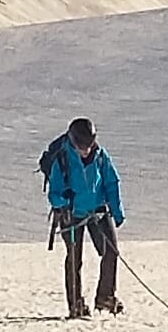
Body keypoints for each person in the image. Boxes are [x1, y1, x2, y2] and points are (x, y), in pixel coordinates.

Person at [40, 117, 124, 318]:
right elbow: (54, 193)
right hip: (71, 216)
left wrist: (117, 211)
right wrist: (63, 202)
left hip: (98, 211)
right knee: (74, 259)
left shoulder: (101, 156)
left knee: (111, 252)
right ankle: (76, 305)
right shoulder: (61, 159)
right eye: (81, 146)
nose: (86, 150)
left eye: (88, 145)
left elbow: (111, 182)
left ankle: (105, 297)